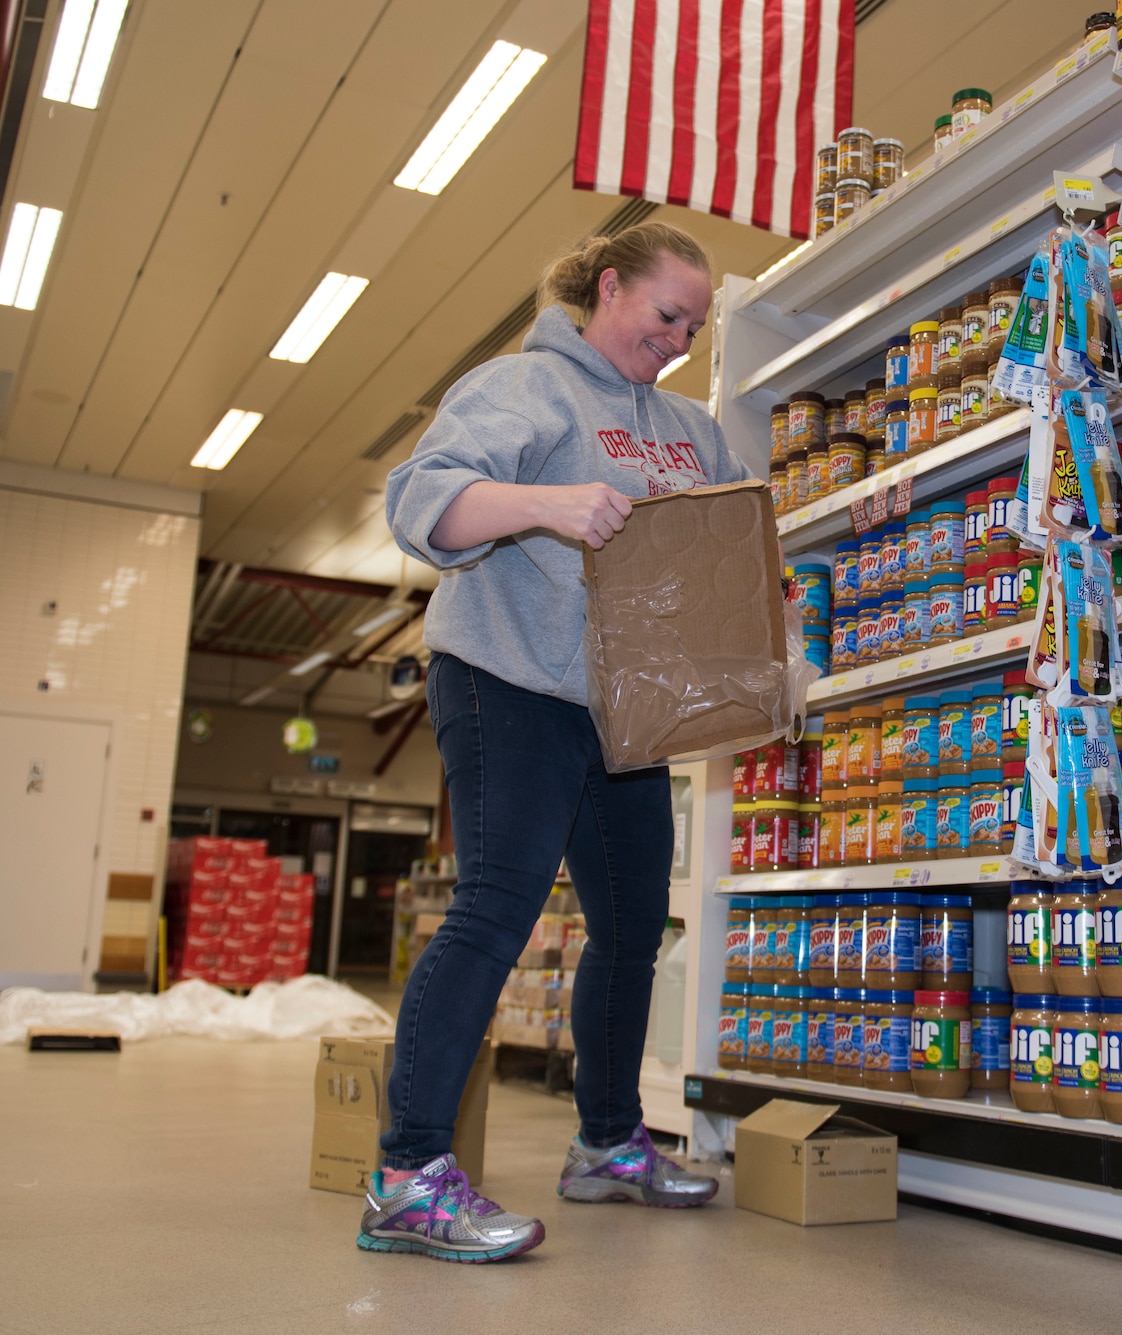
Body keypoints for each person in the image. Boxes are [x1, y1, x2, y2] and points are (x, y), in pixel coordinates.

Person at [366, 221, 752, 1262]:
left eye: (696, 327)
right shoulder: (521, 389)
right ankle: (406, 1175)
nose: (678, 340)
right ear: (609, 287)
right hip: (505, 680)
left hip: (623, 709)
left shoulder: (688, 427)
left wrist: (762, 637)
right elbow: (419, 507)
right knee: (496, 908)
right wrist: (546, 502)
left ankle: (606, 1145)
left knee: (630, 927)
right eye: (666, 314)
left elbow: (711, 557)